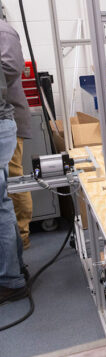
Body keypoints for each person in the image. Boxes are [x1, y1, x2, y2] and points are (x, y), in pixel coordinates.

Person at [0, 17, 30, 249]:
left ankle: (21, 235)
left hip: (8, 117)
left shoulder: (4, 32)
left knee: (13, 179)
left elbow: (10, 67)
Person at [0, 65, 24, 304]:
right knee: (3, 206)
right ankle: (14, 272)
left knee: (0, 210)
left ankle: (10, 280)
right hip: (3, 125)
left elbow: (12, 67)